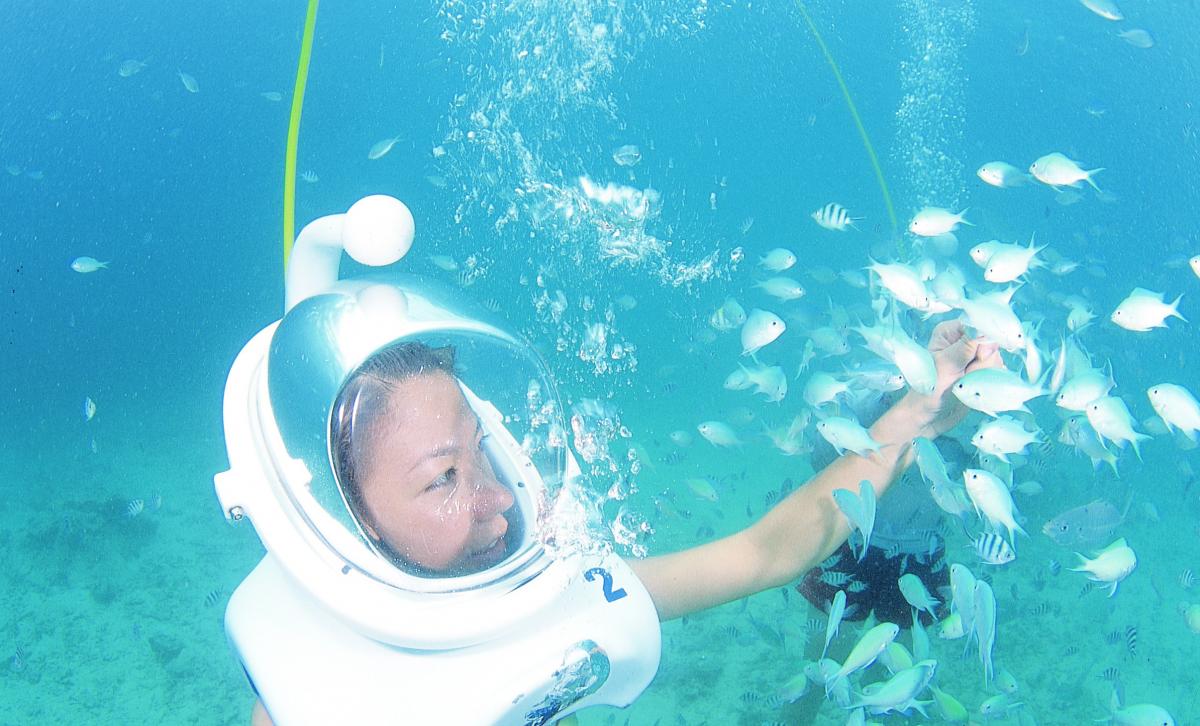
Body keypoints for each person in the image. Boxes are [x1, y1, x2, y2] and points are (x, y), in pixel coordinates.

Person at [248, 319, 999, 725]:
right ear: (356, 524)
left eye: (482, 454)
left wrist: (919, 412)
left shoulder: (553, 590)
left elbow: (768, 552)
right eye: (443, 478)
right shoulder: (313, 689)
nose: (500, 500)